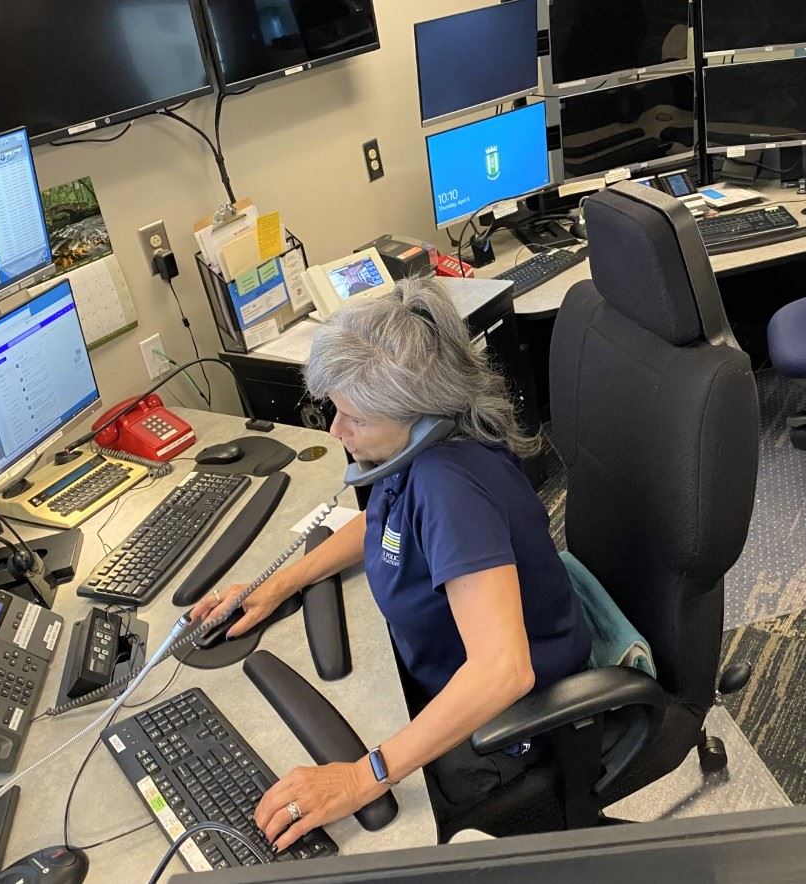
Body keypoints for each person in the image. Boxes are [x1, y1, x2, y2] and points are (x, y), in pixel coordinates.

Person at [192, 277, 591, 848]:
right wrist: (277, 584)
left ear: (416, 412)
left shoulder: (452, 487)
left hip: (509, 727)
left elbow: (505, 670)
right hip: (444, 679)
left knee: (359, 842)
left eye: (353, 418)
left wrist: (362, 777)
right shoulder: (415, 448)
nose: (336, 430)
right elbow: (387, 526)